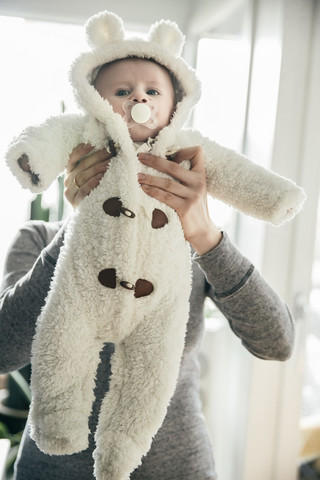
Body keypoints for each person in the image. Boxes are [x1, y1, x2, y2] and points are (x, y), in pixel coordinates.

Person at [1, 11, 296, 480]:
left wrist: (205, 234)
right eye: (120, 91)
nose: (138, 98)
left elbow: (277, 343)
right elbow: (4, 349)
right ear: (95, 107)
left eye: (152, 91)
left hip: (176, 466)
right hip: (53, 469)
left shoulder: (186, 241)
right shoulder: (39, 238)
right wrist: (80, 230)